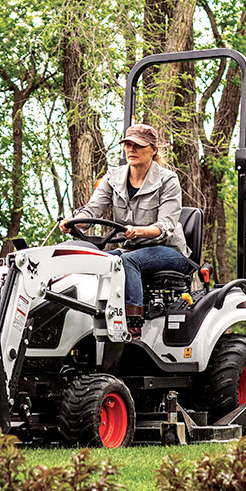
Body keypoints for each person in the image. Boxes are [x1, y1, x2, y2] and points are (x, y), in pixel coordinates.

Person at [60, 123, 190, 338]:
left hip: (168, 250)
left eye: (138, 145)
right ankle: (82, 323)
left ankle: (132, 326)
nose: (131, 150)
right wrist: (74, 221)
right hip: (130, 250)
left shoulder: (168, 180)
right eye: (128, 145)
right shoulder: (113, 177)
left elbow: (165, 226)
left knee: (126, 262)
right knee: (93, 260)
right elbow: (93, 210)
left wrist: (139, 231)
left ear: (153, 149)